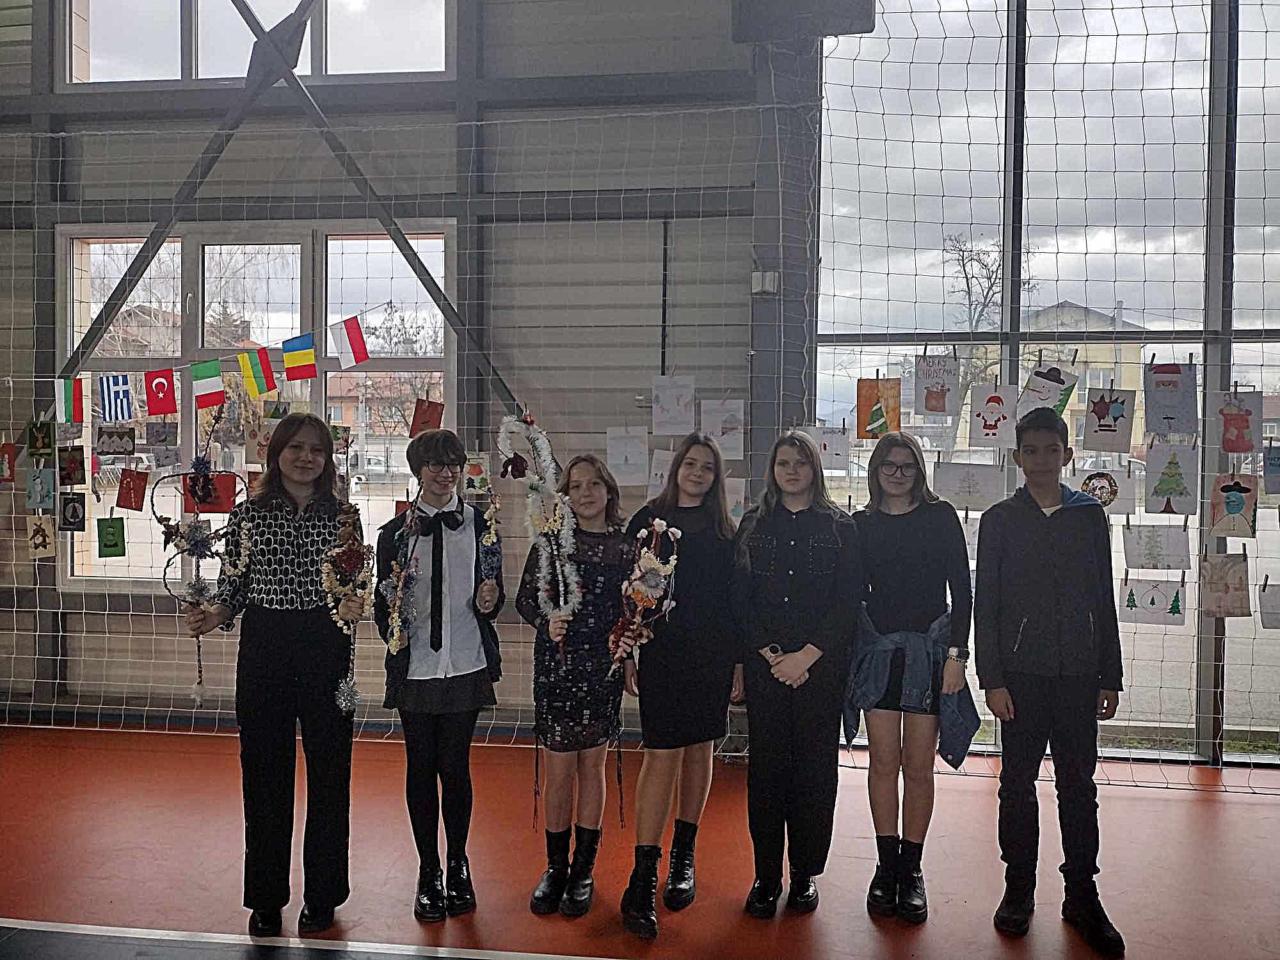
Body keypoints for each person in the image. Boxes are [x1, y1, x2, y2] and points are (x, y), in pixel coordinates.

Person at [185, 413, 364, 939]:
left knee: (331, 776)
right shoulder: (248, 516)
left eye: (317, 450)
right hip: (265, 648)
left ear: (328, 459)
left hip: (327, 647)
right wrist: (214, 615)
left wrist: (355, 602)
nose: (307, 458)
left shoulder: (345, 516)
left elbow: (357, 582)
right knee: (264, 776)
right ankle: (265, 898)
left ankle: (324, 894)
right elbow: (234, 586)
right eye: (296, 448)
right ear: (277, 454)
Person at [975, 406, 1125, 958]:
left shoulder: (1089, 516)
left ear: (1068, 454)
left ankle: (1082, 895)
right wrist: (992, 678)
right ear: (1017, 457)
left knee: (1078, 787)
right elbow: (986, 605)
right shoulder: (999, 520)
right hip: (1019, 679)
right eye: (1031, 450)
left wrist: (1110, 674)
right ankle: (1018, 888)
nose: (1041, 460)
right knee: (1016, 785)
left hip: (1080, 677)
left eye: (1051, 450)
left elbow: (1103, 596)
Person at [373, 429, 503, 924]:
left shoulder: (483, 527)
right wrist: (396, 625)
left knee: (456, 767)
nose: (446, 473)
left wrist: (491, 600)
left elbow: (492, 593)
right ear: (418, 470)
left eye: (453, 465)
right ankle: (428, 869)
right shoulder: (393, 535)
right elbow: (383, 609)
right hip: (417, 669)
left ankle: (458, 863)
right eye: (435, 464)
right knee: (420, 767)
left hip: (465, 662)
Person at [731, 430, 862, 918]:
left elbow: (848, 602)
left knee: (814, 772)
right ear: (772, 469)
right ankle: (766, 876)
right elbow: (739, 599)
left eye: (800, 463)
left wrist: (806, 656)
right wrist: (771, 655)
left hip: (819, 671)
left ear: (815, 469)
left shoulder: (840, 527)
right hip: (766, 669)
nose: (791, 471)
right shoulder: (752, 524)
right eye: (783, 462)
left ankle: (805, 873)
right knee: (767, 774)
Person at [618, 433, 743, 940]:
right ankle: (643, 873)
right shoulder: (647, 520)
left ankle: (684, 856)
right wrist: (628, 649)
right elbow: (625, 594)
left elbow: (736, 603)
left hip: (712, 658)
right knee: (660, 756)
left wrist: (738, 664)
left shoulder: (726, 531)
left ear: (716, 477)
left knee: (699, 752)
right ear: (676, 469)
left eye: (707, 467)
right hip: (661, 656)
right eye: (690, 464)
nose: (697, 473)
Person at [849, 432, 972, 923]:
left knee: (918, 767)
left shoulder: (940, 517)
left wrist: (957, 655)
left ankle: (912, 868)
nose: (898, 474)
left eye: (907, 466)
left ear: (920, 471)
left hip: (930, 656)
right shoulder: (861, 524)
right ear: (876, 470)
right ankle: (886, 865)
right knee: (883, 762)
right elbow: (851, 594)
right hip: (880, 656)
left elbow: (962, 591)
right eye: (889, 466)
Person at [519, 454, 631, 919]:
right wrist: (547, 623)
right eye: (576, 486)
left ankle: (584, 870)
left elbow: (635, 611)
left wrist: (629, 646)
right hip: (558, 669)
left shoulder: (628, 548)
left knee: (593, 767)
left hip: (602, 671)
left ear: (608, 491)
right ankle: (555, 868)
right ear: (565, 496)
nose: (586, 493)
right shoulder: (549, 544)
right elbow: (526, 599)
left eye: (594, 484)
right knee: (559, 770)